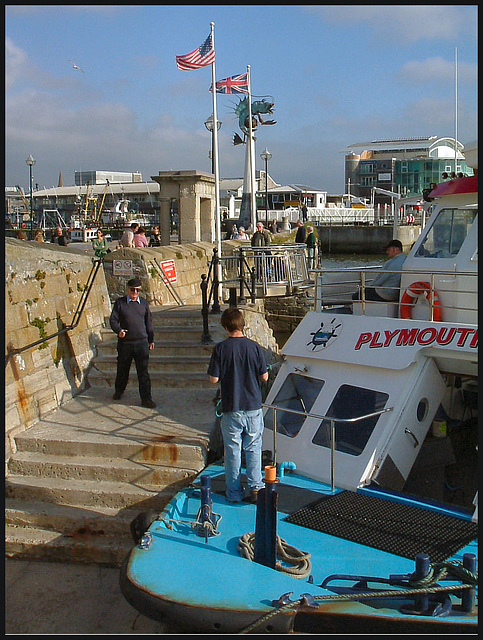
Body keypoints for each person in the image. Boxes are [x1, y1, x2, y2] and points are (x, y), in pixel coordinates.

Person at [207, 307, 268, 503]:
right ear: (243, 325)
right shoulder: (254, 347)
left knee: (232, 451)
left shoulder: (221, 349)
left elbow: (213, 379)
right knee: (253, 448)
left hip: (231, 406)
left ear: (225, 327)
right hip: (253, 406)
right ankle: (256, 487)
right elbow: (264, 376)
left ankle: (233, 492)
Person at [109, 277, 156, 408]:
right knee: (122, 369)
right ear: (127, 289)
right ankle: (119, 391)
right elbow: (113, 320)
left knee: (143, 373)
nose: (134, 293)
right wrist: (118, 331)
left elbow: (149, 323)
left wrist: (151, 339)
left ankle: (146, 399)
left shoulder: (144, 304)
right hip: (126, 344)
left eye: (137, 290)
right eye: (132, 290)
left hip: (141, 343)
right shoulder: (120, 303)